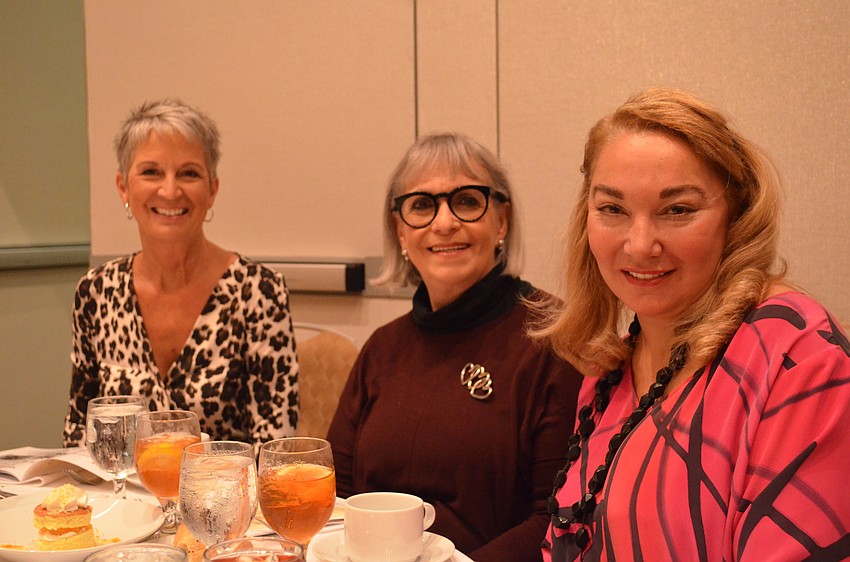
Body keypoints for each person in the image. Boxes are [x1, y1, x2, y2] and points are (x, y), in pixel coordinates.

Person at [535, 88, 850, 561]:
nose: (640, 245)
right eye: (613, 209)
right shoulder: (610, 371)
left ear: (736, 216)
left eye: (678, 210)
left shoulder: (799, 358)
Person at [327, 132, 584, 562]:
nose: (444, 223)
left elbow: (557, 518)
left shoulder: (553, 339)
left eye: (466, 201)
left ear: (501, 221)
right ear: (401, 231)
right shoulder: (382, 348)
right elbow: (337, 493)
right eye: (422, 205)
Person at [63, 99, 299, 447]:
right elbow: (78, 436)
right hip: (120, 499)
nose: (170, 190)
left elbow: (274, 451)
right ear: (123, 187)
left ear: (212, 190)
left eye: (189, 173)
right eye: (151, 172)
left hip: (227, 499)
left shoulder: (258, 291)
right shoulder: (96, 291)